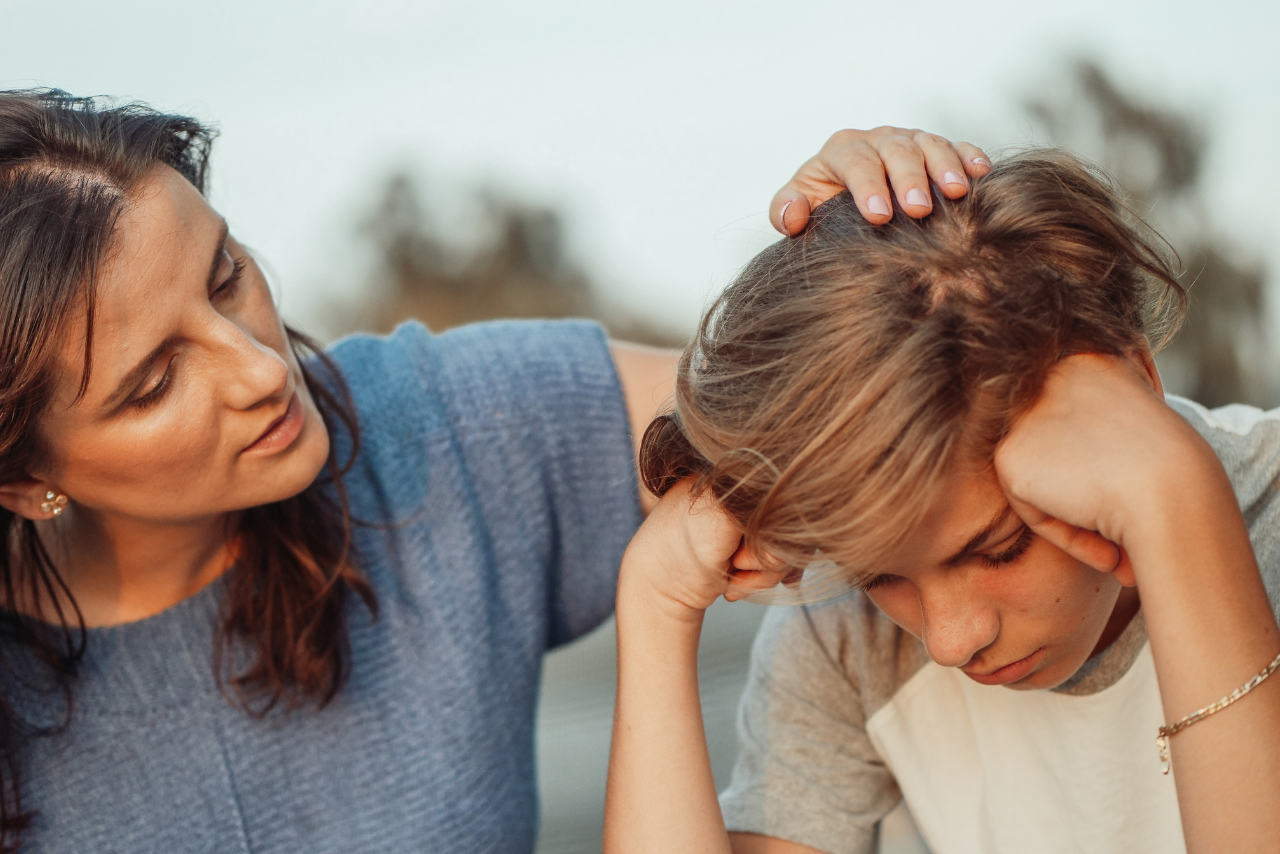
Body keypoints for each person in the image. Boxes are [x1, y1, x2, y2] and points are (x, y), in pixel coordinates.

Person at [0, 88, 988, 853]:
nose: (262, 368)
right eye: (154, 381)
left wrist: (878, 251)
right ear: (22, 476)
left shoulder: (446, 424)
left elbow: (830, 404)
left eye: (226, 275)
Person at [603, 150, 1280, 853]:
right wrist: (655, 604)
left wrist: (1177, 502)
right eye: (880, 577)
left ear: (1136, 387)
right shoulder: (847, 636)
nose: (950, 640)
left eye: (998, 548)